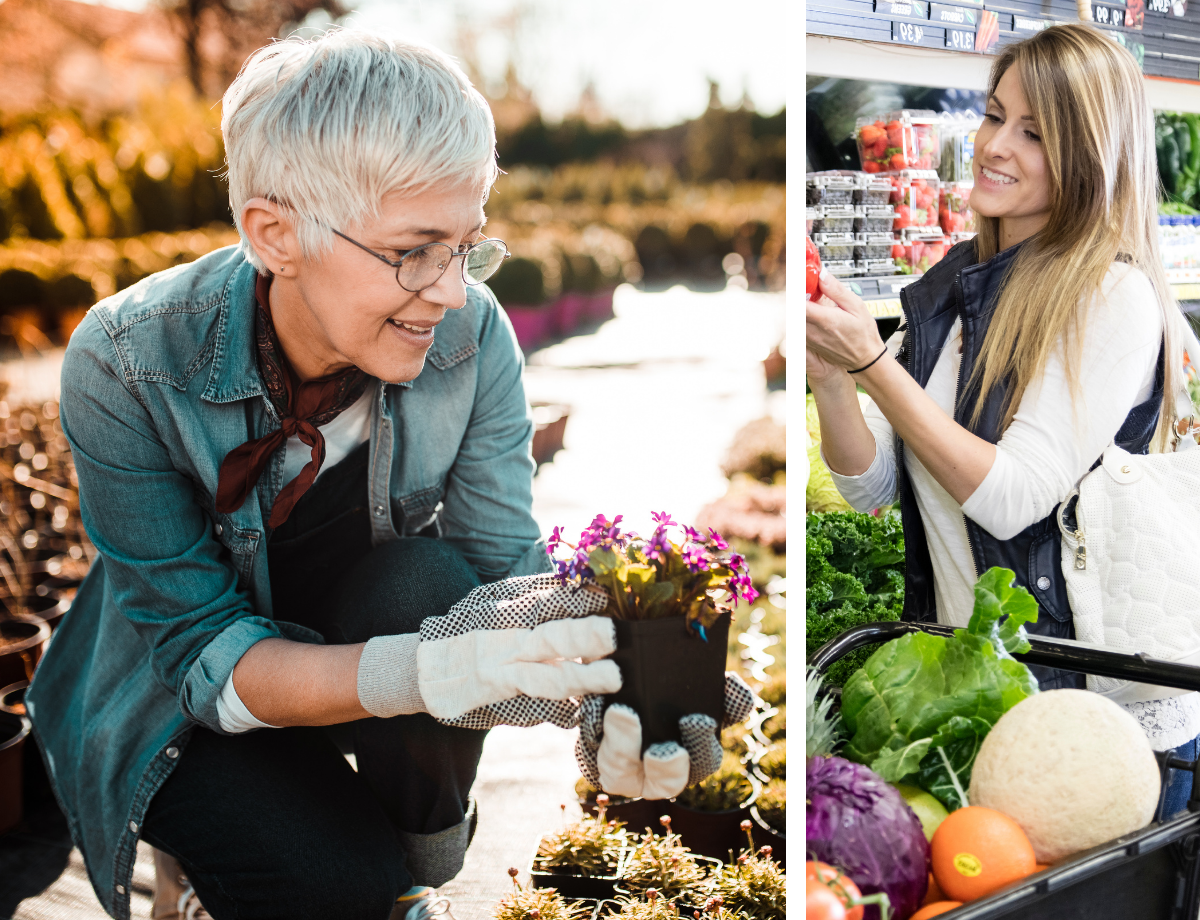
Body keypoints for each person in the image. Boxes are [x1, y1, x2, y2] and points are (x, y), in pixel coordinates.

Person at [26, 30, 741, 920]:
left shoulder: (472, 334)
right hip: (174, 700)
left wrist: (606, 696)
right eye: (414, 250)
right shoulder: (127, 361)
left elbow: (501, 573)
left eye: (467, 246)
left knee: (432, 584)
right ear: (275, 233)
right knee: (328, 887)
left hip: (362, 628)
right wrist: (433, 676)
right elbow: (201, 659)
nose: (449, 290)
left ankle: (407, 870)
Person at [806, 23, 1198, 816]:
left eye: (1034, 133)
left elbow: (1013, 496)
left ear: (1089, 156)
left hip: (1097, 718)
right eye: (993, 117)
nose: (994, 146)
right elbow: (873, 484)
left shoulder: (1110, 298)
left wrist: (875, 366)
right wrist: (834, 377)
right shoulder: (955, 286)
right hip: (989, 686)